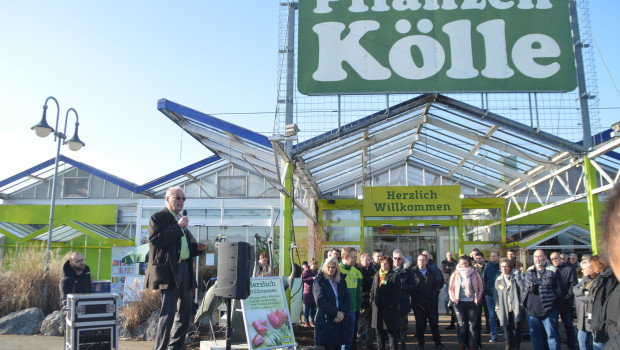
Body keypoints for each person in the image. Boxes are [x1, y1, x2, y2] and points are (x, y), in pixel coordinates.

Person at [145, 186, 206, 350]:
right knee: (169, 312)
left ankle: (175, 346)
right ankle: (160, 348)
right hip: (170, 271)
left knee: (185, 311)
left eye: (183, 198)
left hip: (185, 269)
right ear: (167, 199)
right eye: (177, 197)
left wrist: (196, 248)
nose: (181, 201)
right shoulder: (158, 218)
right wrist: (178, 227)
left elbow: (182, 248)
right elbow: (157, 241)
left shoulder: (180, 220)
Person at [522, 249, 561, 350]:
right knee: (535, 337)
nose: (538, 259)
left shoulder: (553, 271)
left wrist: (555, 308)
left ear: (545, 257)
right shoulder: (529, 271)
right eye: (535, 256)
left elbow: (561, 291)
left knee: (552, 337)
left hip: (549, 311)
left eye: (540, 256)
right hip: (532, 311)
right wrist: (525, 305)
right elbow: (525, 289)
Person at [314, 257, 351, 350]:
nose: (330, 269)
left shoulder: (341, 280)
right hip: (327, 320)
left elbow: (347, 298)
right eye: (328, 267)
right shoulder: (319, 280)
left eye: (333, 267)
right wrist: (336, 313)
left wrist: (342, 313)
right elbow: (320, 300)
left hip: (341, 321)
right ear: (324, 267)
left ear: (337, 268)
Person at [449, 255, 484, 350]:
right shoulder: (456, 274)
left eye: (465, 263)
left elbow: (481, 287)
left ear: (469, 263)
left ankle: (472, 345)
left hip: (472, 302)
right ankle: (462, 345)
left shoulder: (475, 273)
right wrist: (453, 299)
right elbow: (451, 288)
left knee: (472, 325)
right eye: (461, 263)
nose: (463, 265)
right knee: (461, 325)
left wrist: (478, 298)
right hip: (459, 303)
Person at [411, 253, 445, 350]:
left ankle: (438, 343)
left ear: (427, 261)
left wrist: (433, 297)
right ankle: (421, 344)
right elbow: (411, 287)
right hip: (418, 304)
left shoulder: (432, 271)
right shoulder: (412, 272)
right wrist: (416, 299)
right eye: (419, 260)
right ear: (417, 261)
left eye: (423, 260)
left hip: (431, 304)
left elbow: (436, 285)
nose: (421, 262)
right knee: (420, 325)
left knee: (434, 324)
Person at [588, 255, 620, 350]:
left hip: (604, 323)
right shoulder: (601, 277)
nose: (591, 268)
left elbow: (604, 300)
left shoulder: (609, 278)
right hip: (599, 320)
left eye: (593, 265)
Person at [371, 256, 401, 350]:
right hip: (377, 310)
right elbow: (372, 290)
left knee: (392, 334)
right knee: (379, 334)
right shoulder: (376, 275)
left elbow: (396, 294)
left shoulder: (394, 276)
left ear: (390, 265)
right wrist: (372, 302)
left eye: (386, 263)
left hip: (389, 310)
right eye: (382, 262)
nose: (384, 264)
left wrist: (389, 305)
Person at [495, 257, 525, 350]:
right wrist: (497, 307)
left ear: (510, 267)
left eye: (506, 266)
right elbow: (496, 295)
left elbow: (523, 289)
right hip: (504, 307)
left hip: (515, 307)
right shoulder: (499, 279)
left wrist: (521, 304)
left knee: (516, 329)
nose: (504, 268)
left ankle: (516, 347)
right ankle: (508, 346)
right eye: (502, 266)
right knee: (507, 328)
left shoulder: (516, 276)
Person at [550, 251, 578, 350]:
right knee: (554, 326)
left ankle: (572, 346)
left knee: (568, 325)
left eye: (556, 258)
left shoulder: (569, 269)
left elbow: (573, 283)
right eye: (552, 259)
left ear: (560, 258)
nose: (555, 260)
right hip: (555, 302)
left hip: (566, 302)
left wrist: (567, 296)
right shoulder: (551, 270)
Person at [340, 247, 363, 350]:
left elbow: (358, 292)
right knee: (340, 340)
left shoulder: (356, 271)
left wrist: (359, 306)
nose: (355, 259)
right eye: (353, 257)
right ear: (345, 257)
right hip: (341, 312)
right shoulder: (336, 270)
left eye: (356, 257)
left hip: (353, 311)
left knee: (349, 340)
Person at [393, 249, 415, 350]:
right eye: (395, 258)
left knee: (402, 327)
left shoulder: (408, 271)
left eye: (399, 259)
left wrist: (403, 286)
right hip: (391, 304)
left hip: (403, 303)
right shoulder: (388, 270)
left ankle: (402, 345)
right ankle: (393, 345)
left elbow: (413, 287)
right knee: (392, 326)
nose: (397, 260)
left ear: (403, 260)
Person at [573, 259, 594, 350]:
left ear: (591, 269)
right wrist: (583, 291)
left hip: (592, 315)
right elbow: (575, 289)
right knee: (581, 340)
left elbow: (591, 298)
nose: (582, 271)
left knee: (595, 343)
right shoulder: (585, 279)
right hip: (582, 318)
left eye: (584, 269)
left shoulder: (597, 281)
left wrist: (580, 295)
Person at [357, 252, 377, 346]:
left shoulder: (372, 270)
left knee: (370, 321)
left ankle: (369, 340)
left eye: (369, 260)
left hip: (371, 299)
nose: (368, 262)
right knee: (361, 321)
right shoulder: (358, 270)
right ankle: (358, 340)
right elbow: (363, 284)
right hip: (363, 299)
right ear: (361, 261)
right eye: (366, 260)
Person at [483, 250, 502, 343]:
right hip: (490, 295)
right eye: (491, 256)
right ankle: (494, 335)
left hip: (501, 296)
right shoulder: (487, 268)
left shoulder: (501, 268)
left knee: (502, 316)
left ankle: (505, 336)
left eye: (494, 256)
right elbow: (484, 281)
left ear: (498, 257)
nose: (493, 257)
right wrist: (485, 294)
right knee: (492, 316)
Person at [473, 251, 489, 347]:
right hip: (477, 294)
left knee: (488, 313)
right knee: (477, 315)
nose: (478, 259)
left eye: (480, 258)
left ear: (483, 258)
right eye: (476, 258)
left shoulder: (488, 267)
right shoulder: (473, 268)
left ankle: (488, 329)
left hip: (486, 293)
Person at [441, 251, 458, 330]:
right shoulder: (443, 262)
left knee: (453, 298)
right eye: (448, 255)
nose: (450, 256)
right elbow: (444, 270)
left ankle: (452, 310)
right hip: (446, 281)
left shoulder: (455, 262)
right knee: (446, 297)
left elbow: (455, 270)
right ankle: (447, 310)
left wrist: (449, 268)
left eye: (451, 255)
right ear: (446, 256)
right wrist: (450, 269)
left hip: (454, 282)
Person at [302, 258, 318, 327]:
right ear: (310, 265)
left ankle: (312, 321)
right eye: (313, 266)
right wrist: (312, 279)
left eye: (316, 266)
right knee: (307, 308)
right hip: (307, 292)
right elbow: (302, 279)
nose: (314, 268)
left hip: (314, 292)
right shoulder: (306, 271)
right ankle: (306, 321)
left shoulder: (316, 272)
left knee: (313, 308)